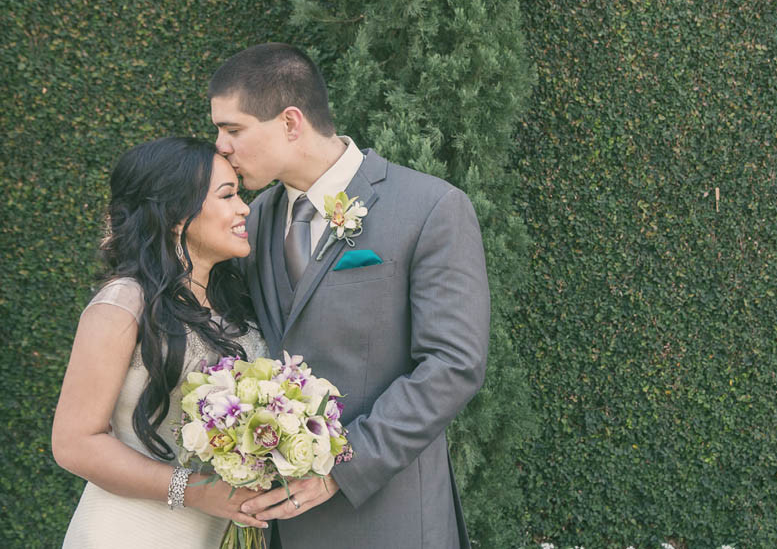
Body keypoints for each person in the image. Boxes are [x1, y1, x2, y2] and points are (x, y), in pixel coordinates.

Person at [209, 42, 490, 549]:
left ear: (291, 123)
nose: (220, 147)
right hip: (283, 525)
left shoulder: (431, 208)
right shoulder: (251, 223)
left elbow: (453, 363)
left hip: (390, 515)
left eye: (233, 130)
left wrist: (342, 468)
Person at [52, 137, 272, 547]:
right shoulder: (124, 303)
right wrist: (192, 490)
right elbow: (74, 443)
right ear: (175, 215)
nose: (244, 208)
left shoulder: (237, 304)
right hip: (129, 532)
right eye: (227, 196)